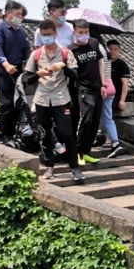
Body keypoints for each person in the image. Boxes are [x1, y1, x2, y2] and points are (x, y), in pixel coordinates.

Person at [23, 19, 84, 184]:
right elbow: (26, 79)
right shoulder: (35, 54)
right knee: (44, 134)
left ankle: (75, 167)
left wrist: (63, 66)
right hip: (42, 98)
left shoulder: (65, 53)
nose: (47, 38)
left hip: (61, 99)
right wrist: (38, 74)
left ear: (55, 34)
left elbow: (76, 76)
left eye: (49, 35)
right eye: (44, 35)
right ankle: (49, 165)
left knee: (67, 134)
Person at [0, 1, 30, 145]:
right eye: (18, 14)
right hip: (4, 69)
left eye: (21, 15)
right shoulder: (0, 29)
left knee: (18, 103)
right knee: (6, 102)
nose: (20, 17)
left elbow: (27, 50)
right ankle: (3, 134)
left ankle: (13, 132)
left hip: (19, 70)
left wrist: (29, 64)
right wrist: (6, 63)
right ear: (8, 13)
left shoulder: (21, 31)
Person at [70, 19, 106, 165]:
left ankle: (87, 152)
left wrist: (104, 84)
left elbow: (100, 62)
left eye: (86, 32)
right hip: (83, 88)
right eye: (81, 32)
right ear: (74, 32)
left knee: (96, 120)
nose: (84, 35)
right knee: (87, 119)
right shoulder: (71, 49)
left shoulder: (94, 43)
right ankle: (78, 153)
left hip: (97, 87)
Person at [104, 38, 129, 159]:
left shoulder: (122, 65)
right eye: (110, 50)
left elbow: (125, 84)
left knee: (109, 115)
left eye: (116, 49)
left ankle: (111, 139)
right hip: (104, 93)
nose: (113, 52)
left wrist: (122, 100)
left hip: (116, 94)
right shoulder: (104, 62)